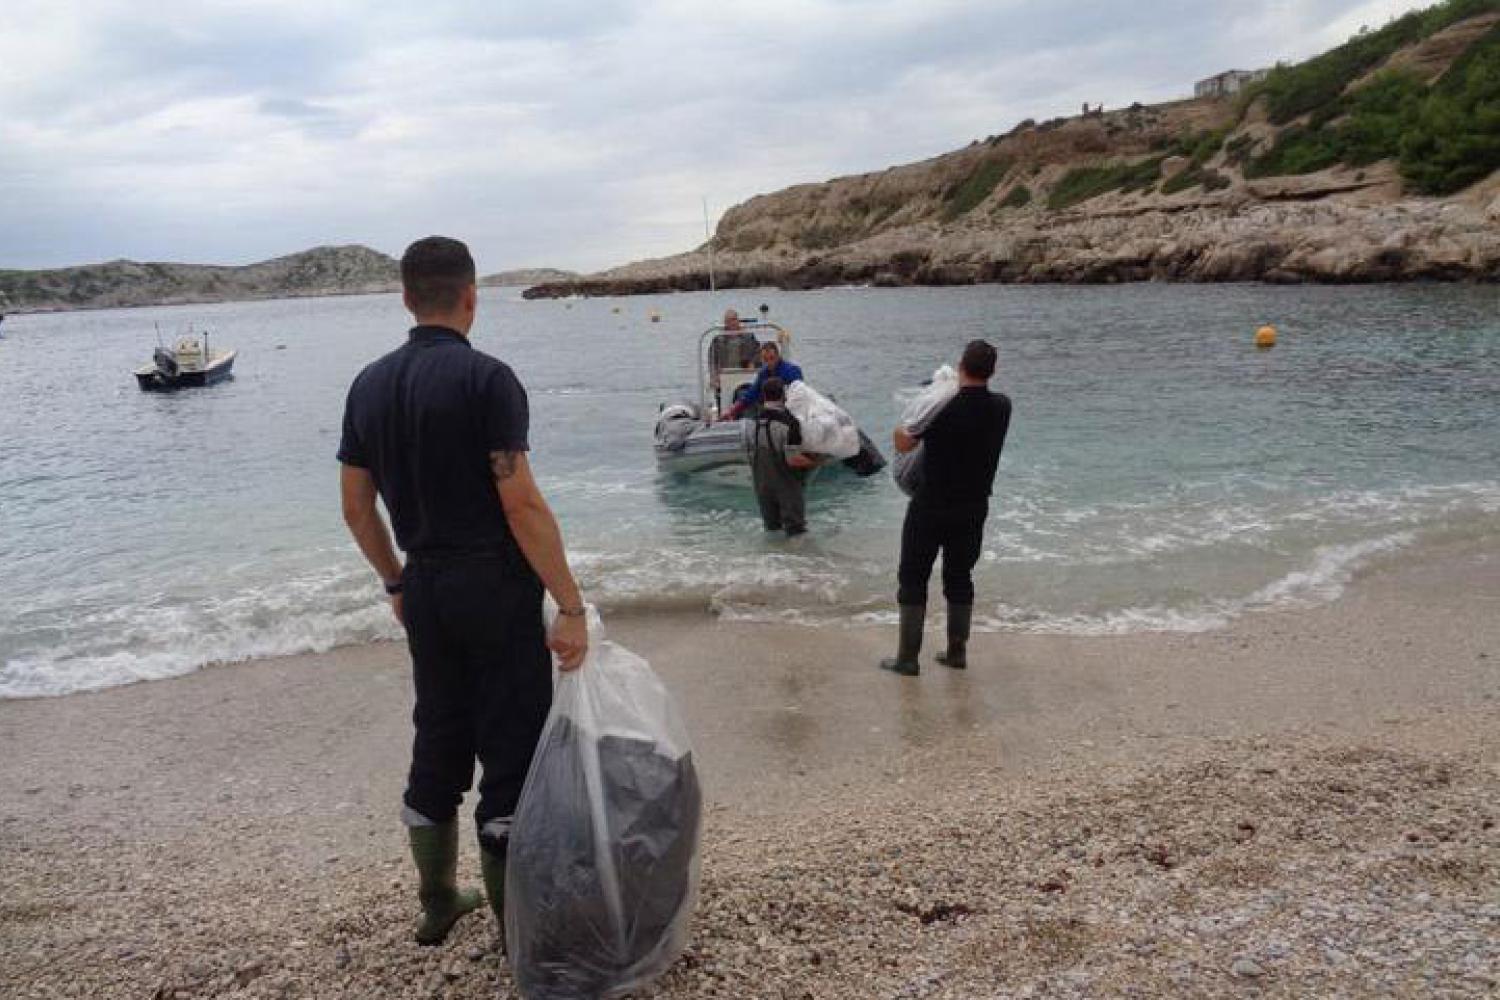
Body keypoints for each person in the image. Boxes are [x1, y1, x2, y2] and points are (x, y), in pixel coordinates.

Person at [337, 236, 588, 948]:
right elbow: (521, 504)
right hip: (492, 583)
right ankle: (518, 933)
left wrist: (395, 579)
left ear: (407, 299)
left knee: (439, 732)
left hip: (424, 583)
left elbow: (356, 507)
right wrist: (568, 605)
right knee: (511, 746)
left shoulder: (369, 384)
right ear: (472, 297)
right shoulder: (488, 379)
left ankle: (438, 901)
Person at [881, 339, 1011, 676]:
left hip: (931, 505)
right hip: (973, 506)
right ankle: (956, 653)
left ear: (960, 366)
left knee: (913, 577)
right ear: (992, 371)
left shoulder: (942, 408)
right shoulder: (1002, 407)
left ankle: (907, 659)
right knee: (959, 576)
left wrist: (904, 421)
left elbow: (903, 441)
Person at [749, 377, 816, 537]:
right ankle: (796, 561)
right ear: (783, 396)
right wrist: (817, 460)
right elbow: (793, 460)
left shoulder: (753, 423)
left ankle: (773, 561)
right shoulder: (790, 424)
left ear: (764, 396)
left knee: (772, 532)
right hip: (786, 487)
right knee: (795, 532)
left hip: (762, 486)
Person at [723, 340, 804, 420]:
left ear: (778, 357)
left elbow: (799, 395)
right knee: (743, 395)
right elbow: (751, 394)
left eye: (772, 358)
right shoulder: (763, 373)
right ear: (761, 359)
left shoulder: (792, 371)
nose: (769, 363)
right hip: (769, 408)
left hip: (789, 409)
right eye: (765, 359)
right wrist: (732, 411)